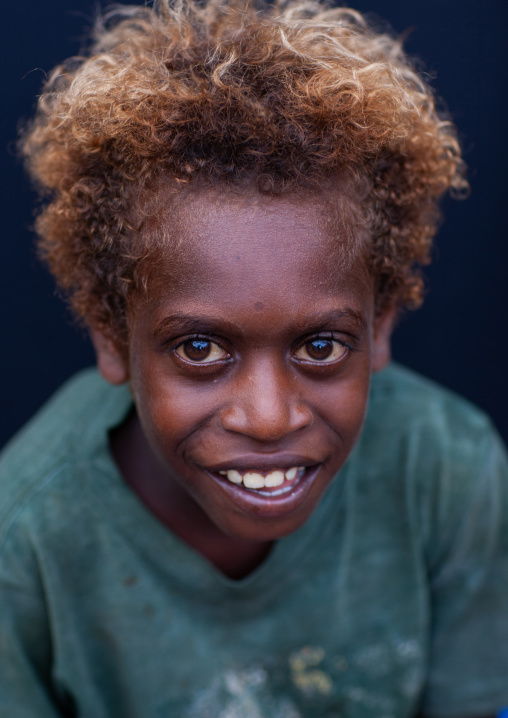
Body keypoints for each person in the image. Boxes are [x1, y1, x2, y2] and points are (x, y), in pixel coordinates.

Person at [1, 0, 506, 716]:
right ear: (111, 336)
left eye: (321, 346)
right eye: (201, 348)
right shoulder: (25, 542)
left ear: (382, 324)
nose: (269, 417)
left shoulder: (448, 470)